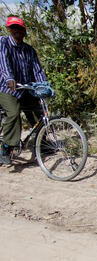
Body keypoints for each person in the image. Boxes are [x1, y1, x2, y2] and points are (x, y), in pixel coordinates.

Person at [0, 16, 47, 164]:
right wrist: (9, 78)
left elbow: (37, 70)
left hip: (24, 88)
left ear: (24, 31)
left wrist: (44, 85)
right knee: (14, 113)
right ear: (9, 29)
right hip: (5, 88)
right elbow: (4, 62)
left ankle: (42, 143)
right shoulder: (3, 43)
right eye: (13, 28)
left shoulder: (29, 50)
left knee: (39, 112)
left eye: (20, 28)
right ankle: (6, 147)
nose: (17, 31)